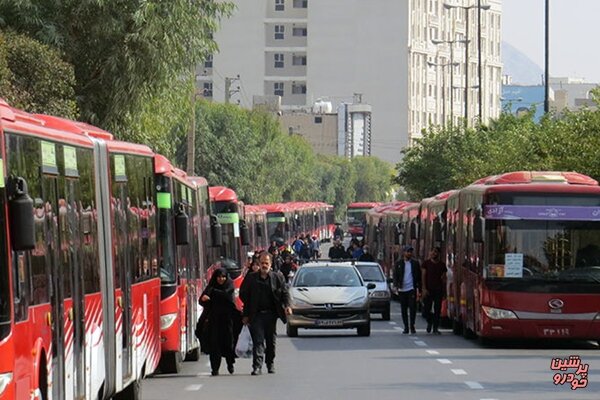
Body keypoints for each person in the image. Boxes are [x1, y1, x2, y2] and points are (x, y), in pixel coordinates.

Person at [239, 252, 292, 375]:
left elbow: (285, 292)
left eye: (266, 263)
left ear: (271, 264)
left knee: (270, 341)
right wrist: (247, 313)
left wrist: (287, 306)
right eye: (262, 263)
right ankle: (257, 366)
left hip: (271, 315)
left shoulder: (277, 277)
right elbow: (243, 294)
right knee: (258, 341)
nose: (264, 265)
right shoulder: (251, 278)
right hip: (256, 315)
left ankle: (270, 363)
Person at [199, 268, 240, 376]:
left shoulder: (229, 286)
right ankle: (215, 368)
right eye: (218, 277)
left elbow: (227, 296)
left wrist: (212, 294)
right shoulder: (211, 286)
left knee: (228, 344)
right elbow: (202, 300)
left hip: (228, 321)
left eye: (223, 277)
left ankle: (230, 363)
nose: (221, 279)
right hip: (214, 320)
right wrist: (205, 299)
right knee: (214, 345)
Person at [393, 245, 421, 334]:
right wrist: (395, 285)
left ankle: (412, 325)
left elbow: (419, 276)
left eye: (411, 252)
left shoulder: (415, 263)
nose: (409, 253)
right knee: (403, 309)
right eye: (408, 251)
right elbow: (395, 275)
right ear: (404, 252)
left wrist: (419, 288)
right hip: (402, 289)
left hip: (411, 288)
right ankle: (406, 327)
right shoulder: (399, 263)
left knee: (412, 308)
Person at [421, 247, 447, 334]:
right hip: (428, 289)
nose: (434, 254)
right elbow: (423, 275)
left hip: (438, 290)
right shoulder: (426, 263)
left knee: (437, 309)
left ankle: (435, 328)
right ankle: (429, 321)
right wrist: (424, 288)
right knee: (426, 310)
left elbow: (444, 279)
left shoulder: (442, 265)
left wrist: (444, 291)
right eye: (432, 252)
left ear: (439, 254)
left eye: (435, 252)